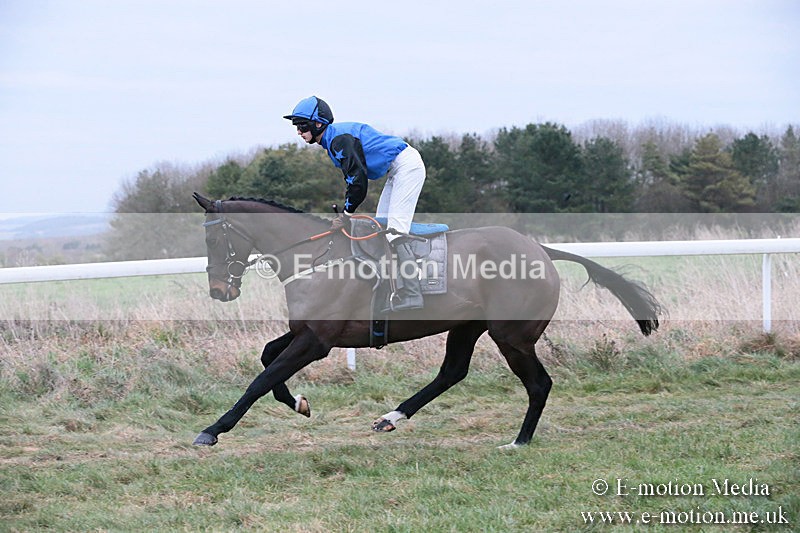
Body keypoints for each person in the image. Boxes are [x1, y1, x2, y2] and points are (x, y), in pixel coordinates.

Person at [283, 95, 426, 312]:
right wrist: (346, 213)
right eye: (297, 127)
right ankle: (392, 288)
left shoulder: (340, 139)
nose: (299, 132)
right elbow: (354, 181)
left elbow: (358, 183)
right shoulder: (332, 140)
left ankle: (412, 293)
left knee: (395, 231)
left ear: (318, 123)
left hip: (406, 166)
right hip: (394, 171)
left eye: (302, 126)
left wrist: (346, 214)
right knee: (380, 228)